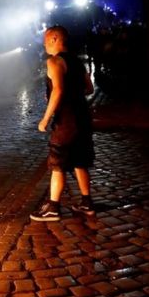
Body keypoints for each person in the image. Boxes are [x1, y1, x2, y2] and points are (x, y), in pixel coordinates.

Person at [30, 25, 95, 222]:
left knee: (57, 162)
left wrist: (45, 118)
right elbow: (89, 88)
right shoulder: (77, 62)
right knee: (79, 160)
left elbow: (57, 90)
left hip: (65, 122)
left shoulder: (55, 61)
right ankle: (86, 202)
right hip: (82, 118)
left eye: (46, 40)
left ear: (55, 39)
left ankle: (53, 208)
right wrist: (74, 96)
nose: (44, 45)